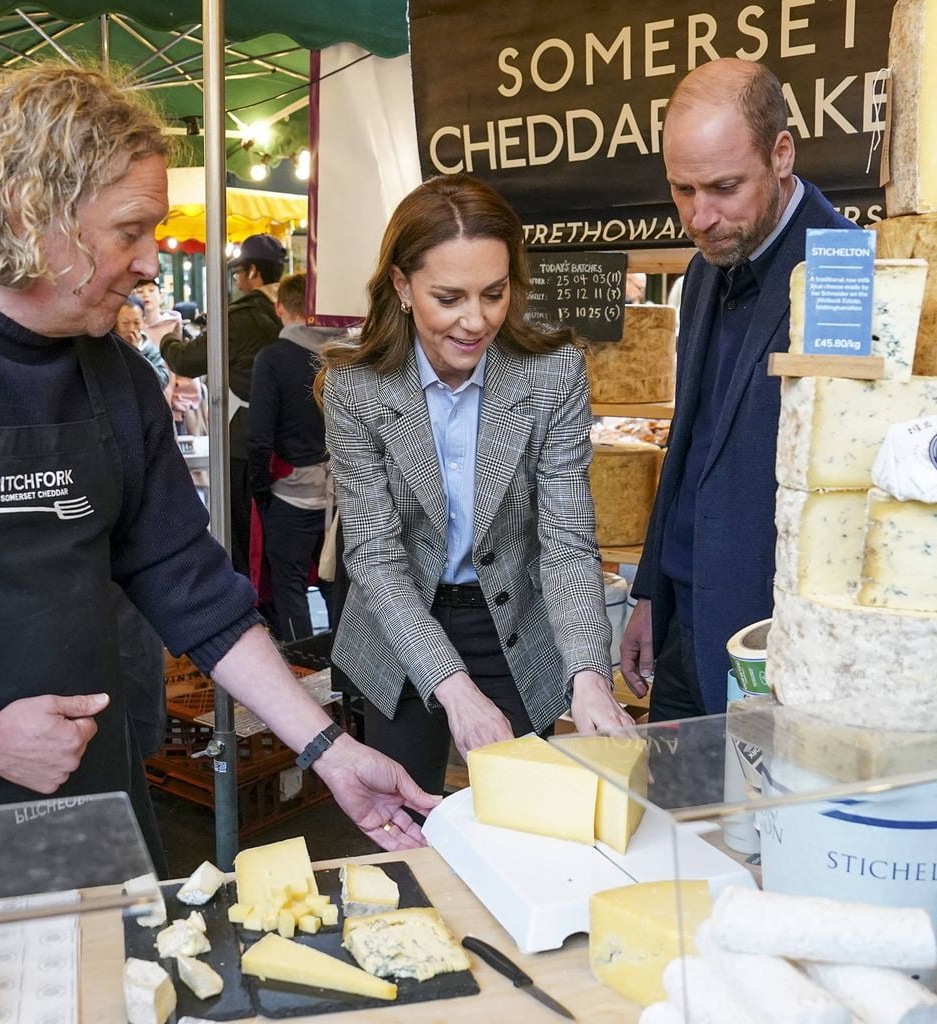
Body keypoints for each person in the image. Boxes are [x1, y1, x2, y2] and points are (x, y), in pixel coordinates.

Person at [0, 62, 436, 870]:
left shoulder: (115, 374)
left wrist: (327, 747)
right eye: (130, 230)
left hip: (94, 797)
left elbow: (189, 584)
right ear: (29, 213)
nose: (154, 263)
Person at [318, 173, 634, 798]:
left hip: (516, 621)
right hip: (397, 625)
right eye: (450, 297)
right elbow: (376, 561)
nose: (476, 320)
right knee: (410, 820)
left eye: (494, 293)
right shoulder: (355, 386)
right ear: (403, 288)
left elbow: (566, 540)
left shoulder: (552, 373)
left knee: (518, 817)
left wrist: (590, 674)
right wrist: (453, 687)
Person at [620, 59, 853, 720]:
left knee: (750, 825)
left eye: (724, 187)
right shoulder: (701, 273)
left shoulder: (844, 273)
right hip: (678, 620)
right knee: (668, 821)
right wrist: (649, 594)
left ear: (781, 153)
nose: (701, 216)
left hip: (768, 639)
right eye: (682, 189)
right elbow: (689, 442)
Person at [160, 233, 284, 578]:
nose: (238, 280)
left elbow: (186, 361)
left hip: (244, 440)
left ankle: (255, 609)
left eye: (239, 273)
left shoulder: (239, 317)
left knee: (242, 533)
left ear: (254, 273)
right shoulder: (295, 310)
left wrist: (168, 337)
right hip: (296, 444)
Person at [247, 271, 338, 642]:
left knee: (289, 587)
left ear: (279, 308)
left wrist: (260, 490)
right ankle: (345, 674)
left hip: (289, 492)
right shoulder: (344, 355)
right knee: (337, 585)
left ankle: (302, 673)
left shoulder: (272, 359)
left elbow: (259, 435)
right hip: (342, 492)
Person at [115, 297, 171, 388]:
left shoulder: (152, 351)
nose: (131, 329)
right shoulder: (108, 349)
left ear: (143, 322)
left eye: (136, 323)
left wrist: (137, 354)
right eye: (125, 323)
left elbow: (162, 382)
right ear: (115, 323)